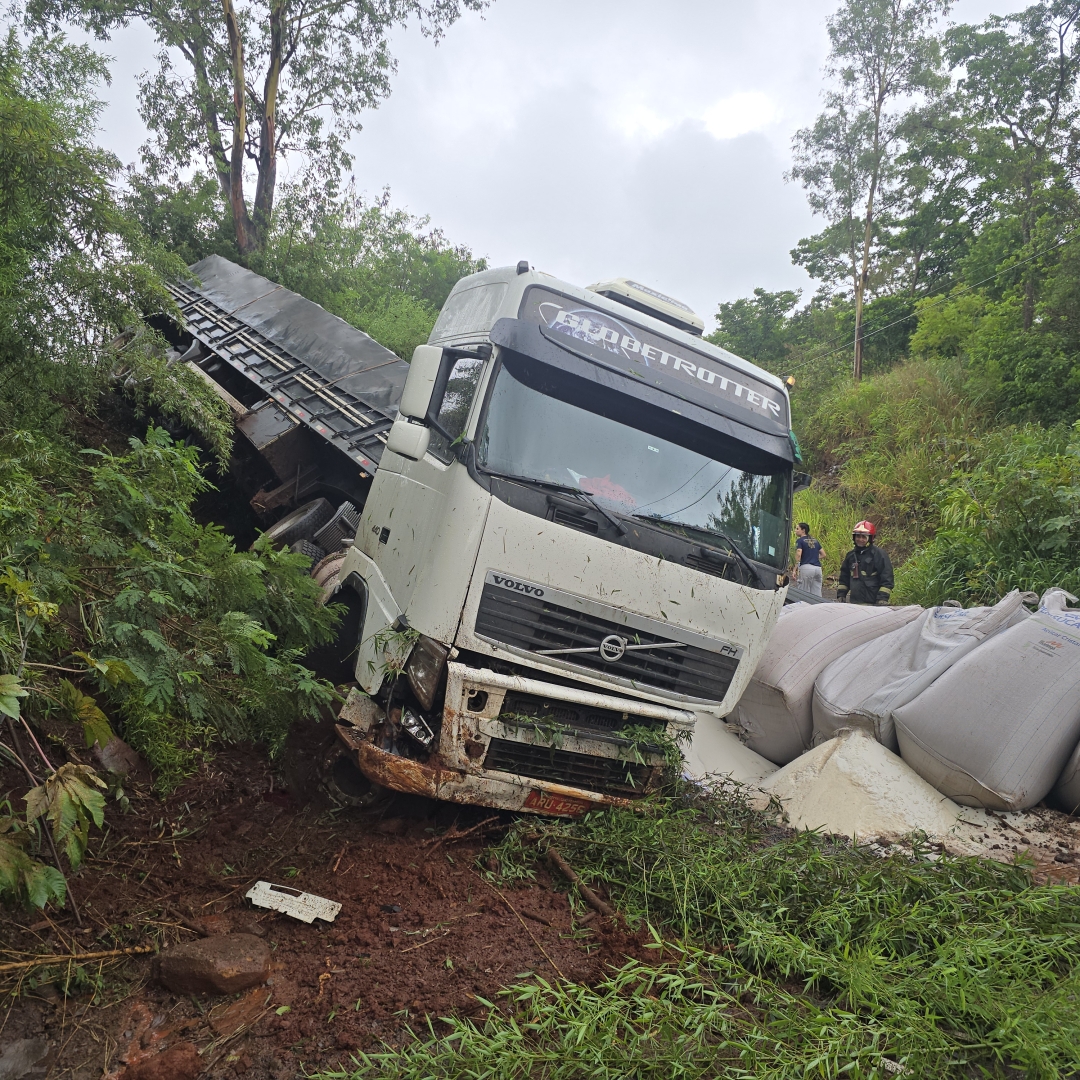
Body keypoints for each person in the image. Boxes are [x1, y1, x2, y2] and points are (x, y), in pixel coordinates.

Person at [837, 520, 893, 605]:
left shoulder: (879, 554)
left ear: (870, 539)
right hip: (855, 603)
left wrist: (882, 598)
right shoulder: (851, 555)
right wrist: (841, 594)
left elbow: (887, 577)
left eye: (864, 537)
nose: (860, 539)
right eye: (858, 536)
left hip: (873, 603)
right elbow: (844, 577)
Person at [792, 522, 824, 596]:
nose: (795, 530)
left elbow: (799, 553)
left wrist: (794, 569)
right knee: (816, 595)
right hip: (818, 569)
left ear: (803, 530)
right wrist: (814, 557)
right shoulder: (815, 541)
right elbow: (823, 554)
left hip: (806, 568)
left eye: (797, 529)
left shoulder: (800, 541)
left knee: (803, 594)